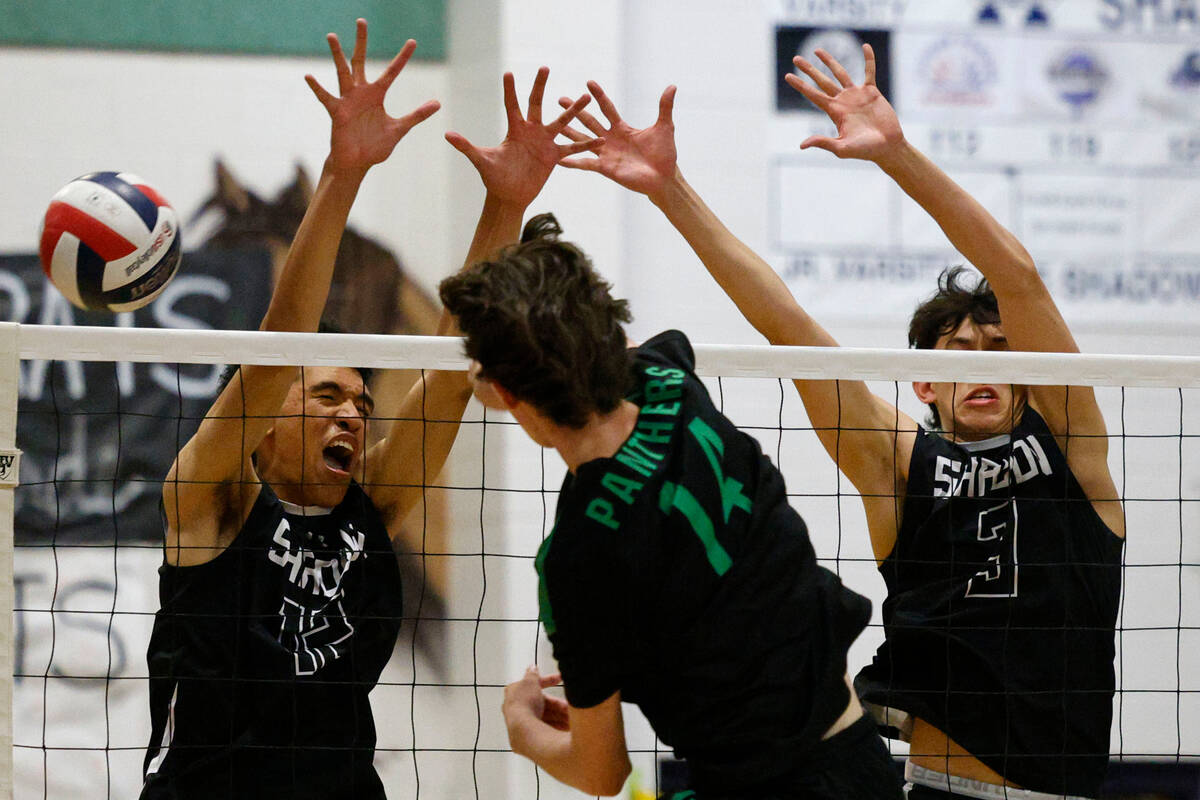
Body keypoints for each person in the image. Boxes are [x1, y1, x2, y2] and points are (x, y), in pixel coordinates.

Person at [616, 43, 1122, 799]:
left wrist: (896, 156)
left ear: (1028, 375)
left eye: (997, 350)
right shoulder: (903, 464)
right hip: (939, 788)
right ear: (925, 379)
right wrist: (670, 192)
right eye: (959, 352)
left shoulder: (1073, 449)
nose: (980, 363)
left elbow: (1018, 277)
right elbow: (788, 326)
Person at [141, 19, 598, 799]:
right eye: (325, 397)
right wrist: (343, 173)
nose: (353, 413)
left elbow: (452, 370)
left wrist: (505, 204)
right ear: (266, 426)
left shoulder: (374, 506)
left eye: (358, 399)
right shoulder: (211, 501)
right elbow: (279, 343)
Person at [439, 87, 904, 799]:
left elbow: (602, 772)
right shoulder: (664, 376)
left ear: (505, 393)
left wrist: (523, 725)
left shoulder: (579, 555)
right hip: (861, 762)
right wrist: (667, 189)